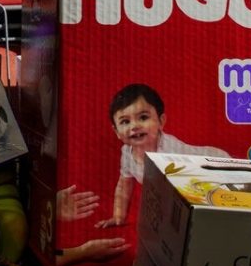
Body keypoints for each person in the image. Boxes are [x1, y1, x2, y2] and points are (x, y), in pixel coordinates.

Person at [96, 83, 229, 229]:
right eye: (125, 121)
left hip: (216, 165)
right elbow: (124, 185)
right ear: (116, 131)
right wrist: (118, 216)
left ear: (161, 121)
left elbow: (182, 191)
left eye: (143, 117)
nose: (134, 126)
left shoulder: (170, 151)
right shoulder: (127, 153)